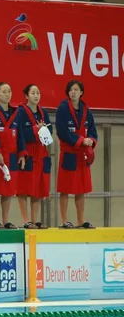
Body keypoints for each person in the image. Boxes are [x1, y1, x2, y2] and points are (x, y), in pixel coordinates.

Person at [0, 83, 27, 229]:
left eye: (9, 91)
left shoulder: (16, 112)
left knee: (8, 191)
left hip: (12, 156)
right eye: (4, 92)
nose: (7, 94)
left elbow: (20, 133)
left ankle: (5, 220)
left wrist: (22, 153)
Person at [56, 80, 98, 229]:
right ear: (68, 93)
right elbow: (62, 132)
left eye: (76, 89)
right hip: (69, 153)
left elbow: (93, 132)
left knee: (81, 189)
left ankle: (81, 220)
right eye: (70, 90)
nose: (73, 92)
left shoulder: (87, 110)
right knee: (65, 189)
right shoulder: (62, 109)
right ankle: (64, 220)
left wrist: (90, 141)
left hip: (82, 155)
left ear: (81, 93)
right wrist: (81, 140)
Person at [17, 84, 52, 229]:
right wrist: (34, 129)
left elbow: (50, 130)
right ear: (26, 96)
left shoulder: (43, 112)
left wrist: (44, 129)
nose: (36, 95)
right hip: (27, 152)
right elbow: (19, 133)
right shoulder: (20, 112)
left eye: (38, 93)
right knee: (24, 188)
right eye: (33, 93)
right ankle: (26, 220)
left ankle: (34, 219)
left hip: (41, 152)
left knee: (37, 189)